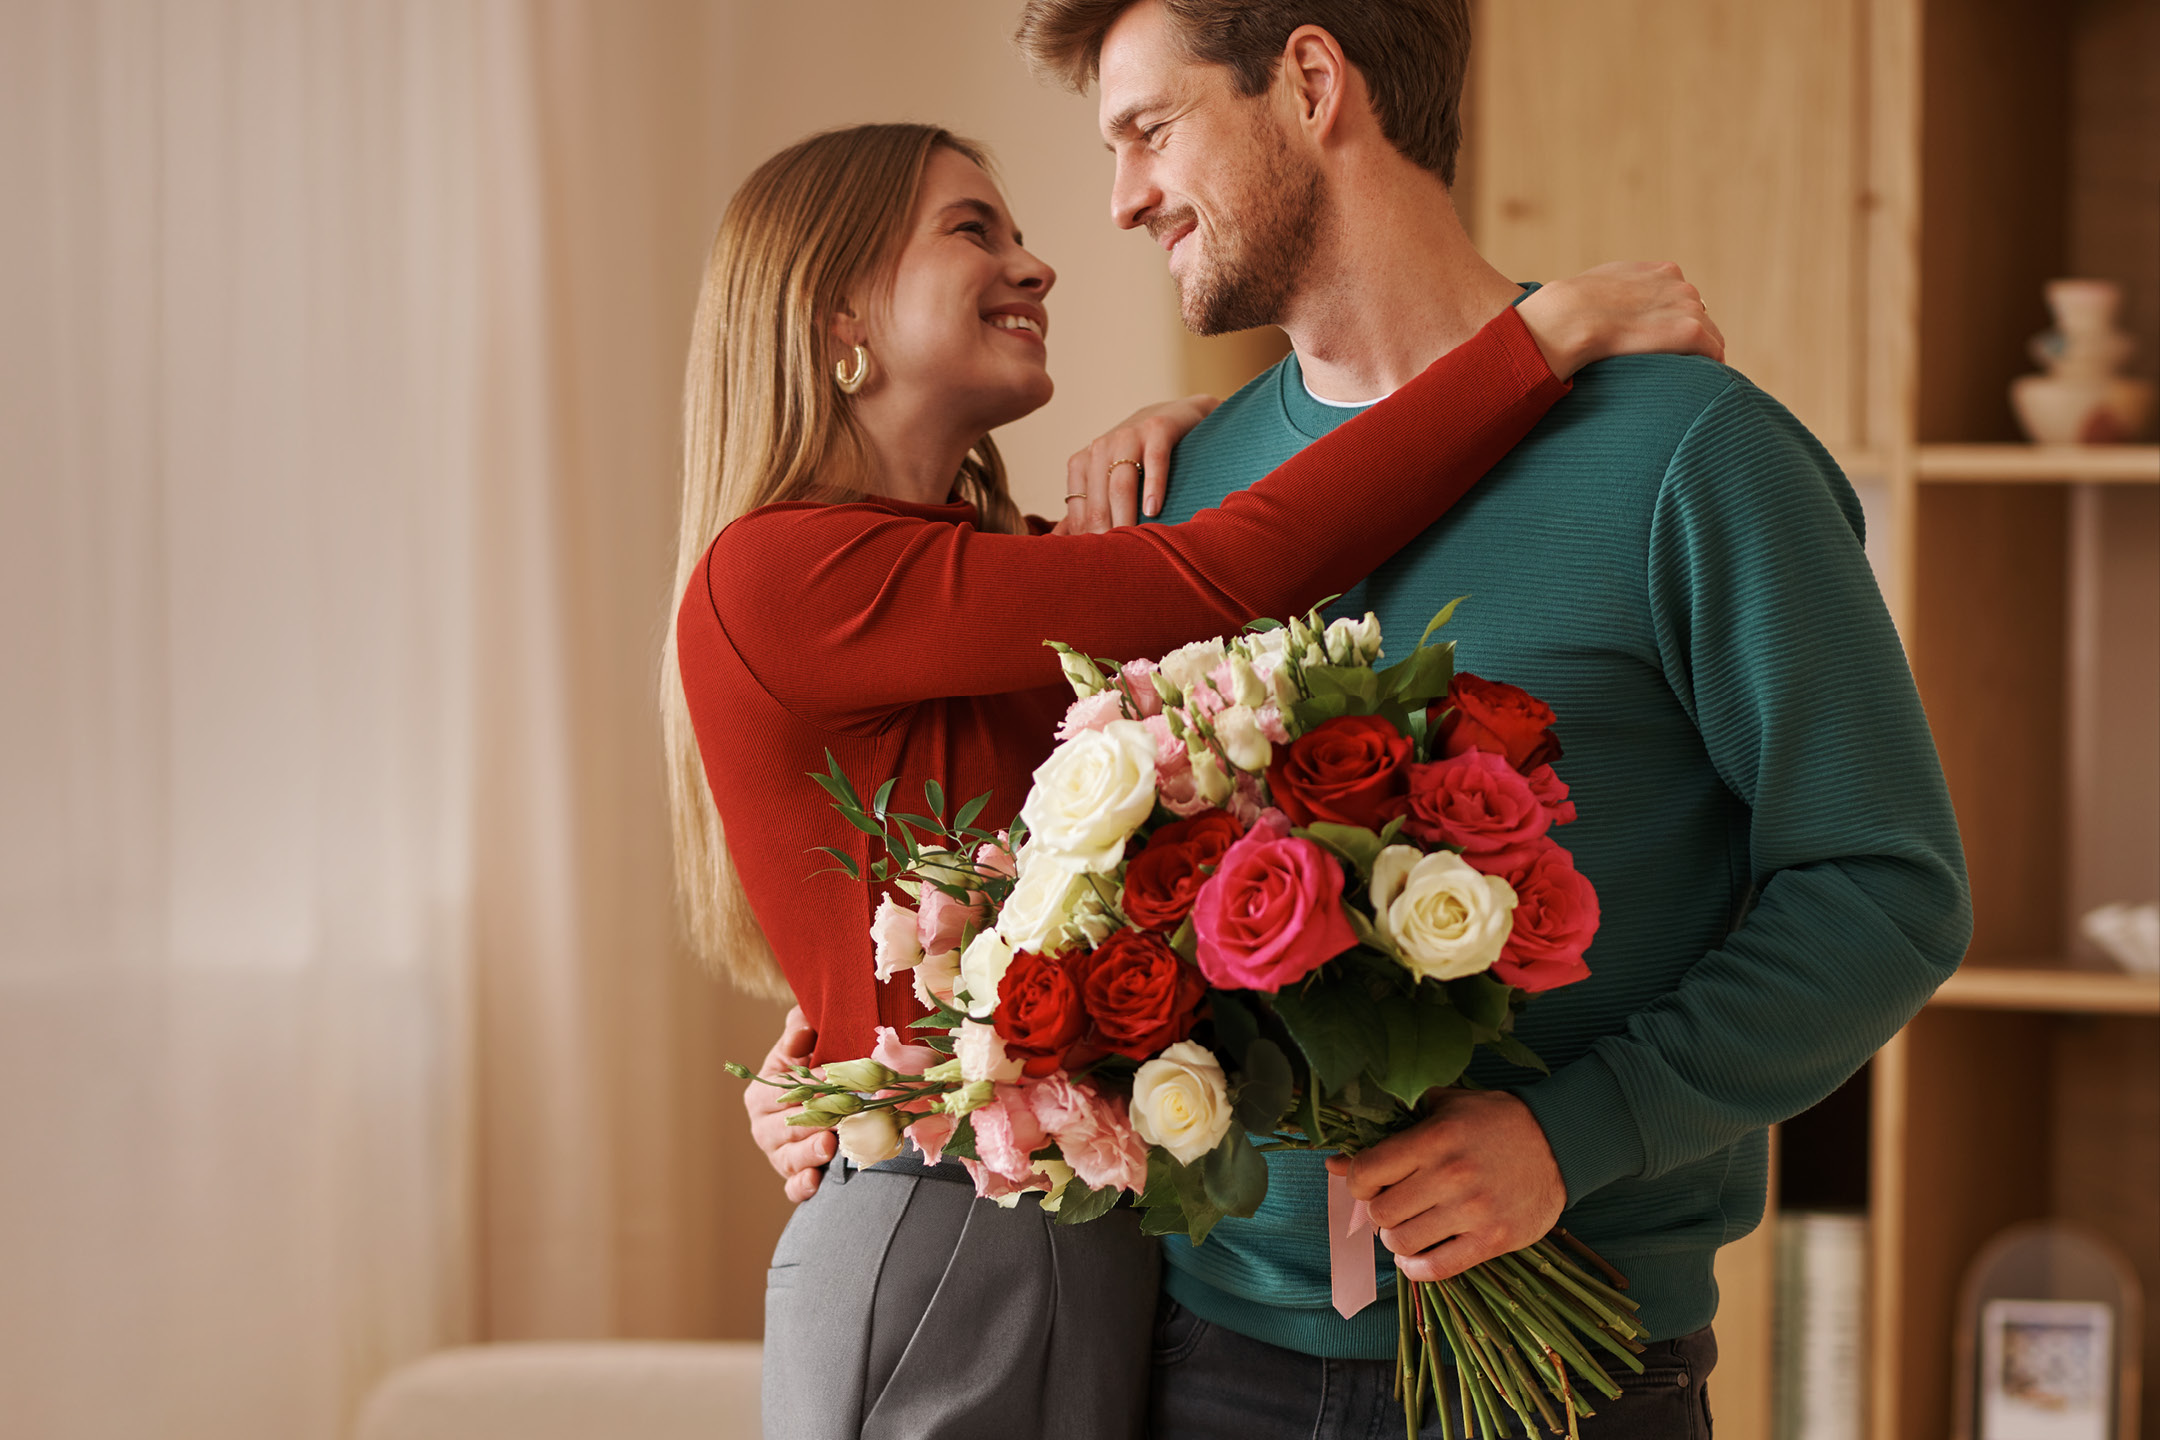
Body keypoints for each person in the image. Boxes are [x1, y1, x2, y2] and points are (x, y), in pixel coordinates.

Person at [759, 2, 1976, 1435]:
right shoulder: (1175, 502)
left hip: (1566, 1382)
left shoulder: (1695, 456)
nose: (1122, 200)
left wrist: (1568, 1139)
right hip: (1193, 1365)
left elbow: (1885, 888)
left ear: (1311, 81)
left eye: (1151, 130)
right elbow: (1063, 878)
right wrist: (858, 1040)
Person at [668, 121, 1717, 1440]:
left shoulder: (985, 577)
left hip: (1092, 1239)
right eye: (972, 230)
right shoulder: (782, 570)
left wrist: (1214, 432)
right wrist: (1539, 338)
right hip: (949, 1236)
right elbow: (1227, 573)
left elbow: (1169, 618)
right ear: (836, 317)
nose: (1036, 263)